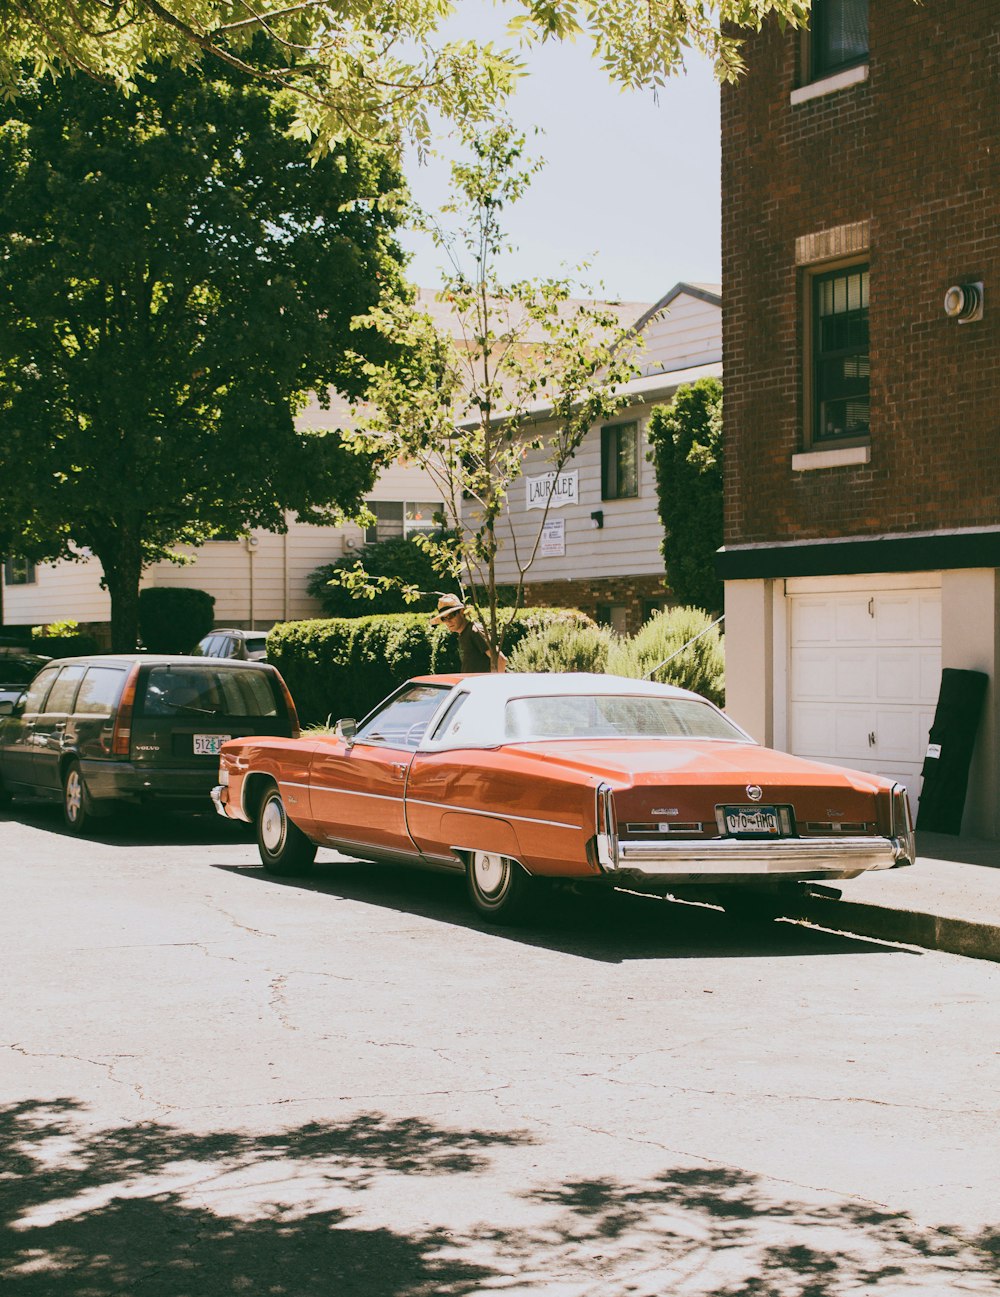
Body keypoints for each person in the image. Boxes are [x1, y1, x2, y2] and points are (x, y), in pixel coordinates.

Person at [430, 593, 507, 673]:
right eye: (444, 619)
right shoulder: (464, 634)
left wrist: (495, 683)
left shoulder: (475, 631)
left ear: (462, 612)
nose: (448, 621)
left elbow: (500, 659)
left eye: (451, 615)